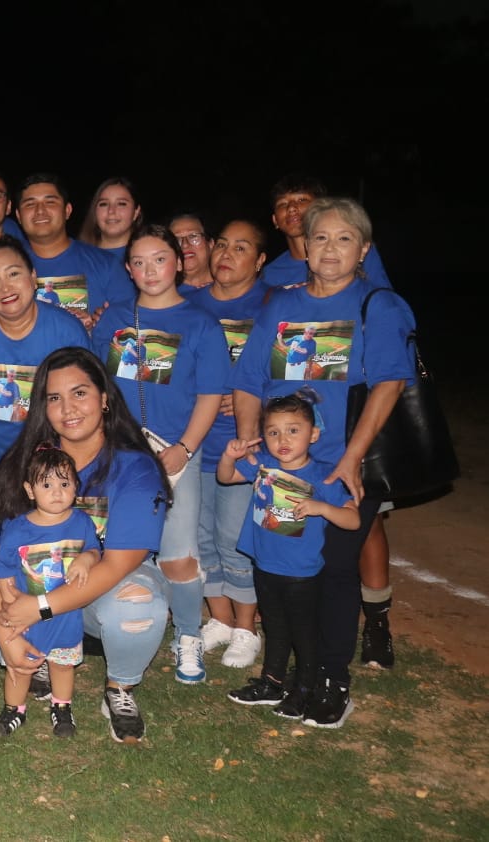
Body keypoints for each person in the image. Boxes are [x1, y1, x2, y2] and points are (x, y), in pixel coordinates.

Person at [231, 197, 415, 727]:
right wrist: (251, 445)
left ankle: (332, 678)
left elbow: (390, 382)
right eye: (320, 238)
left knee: (333, 572)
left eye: (343, 238)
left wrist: (353, 457)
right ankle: (286, 674)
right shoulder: (280, 305)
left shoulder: (377, 304)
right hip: (282, 464)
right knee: (282, 570)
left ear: (363, 249)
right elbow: (248, 380)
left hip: (340, 466)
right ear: (305, 249)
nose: (330, 248)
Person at [0, 347, 171, 744]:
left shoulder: (134, 466)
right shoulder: (26, 464)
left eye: (79, 393)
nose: (67, 408)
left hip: (103, 588)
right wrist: (10, 633)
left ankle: (119, 688)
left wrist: (38, 608)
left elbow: (119, 563)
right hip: (32, 586)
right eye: (54, 398)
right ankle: (40, 659)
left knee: (137, 605)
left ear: (104, 399)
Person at [91, 224, 229, 684]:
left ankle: (188, 634)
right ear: (128, 269)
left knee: (177, 555)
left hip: (174, 454)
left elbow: (210, 394)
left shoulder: (200, 323)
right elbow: (95, 385)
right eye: (139, 262)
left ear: (180, 262)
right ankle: (102, 625)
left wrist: (185, 448)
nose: (150, 270)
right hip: (119, 453)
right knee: (113, 546)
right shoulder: (113, 319)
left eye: (159, 259)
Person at [0, 238, 92, 602]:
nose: (5, 287)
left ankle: (54, 605)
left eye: (13, 274)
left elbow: (85, 398)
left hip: (51, 452)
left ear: (33, 277)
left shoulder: (66, 331)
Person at [220, 395, 359, 722]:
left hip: (301, 573)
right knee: (275, 625)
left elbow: (353, 520)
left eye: (293, 431)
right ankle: (272, 682)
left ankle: (305, 688)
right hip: (264, 565)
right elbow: (226, 477)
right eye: (273, 432)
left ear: (313, 434)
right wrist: (229, 457)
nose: (282, 440)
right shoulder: (262, 465)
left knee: (304, 632)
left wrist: (323, 508)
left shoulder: (324, 476)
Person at [186, 219, 271, 668]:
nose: (226, 253)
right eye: (221, 244)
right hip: (196, 443)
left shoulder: (272, 305)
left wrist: (241, 395)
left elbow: (282, 372)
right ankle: (219, 618)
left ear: (259, 261)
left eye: (241, 247)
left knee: (235, 537)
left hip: (245, 444)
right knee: (201, 538)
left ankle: (246, 627)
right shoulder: (189, 304)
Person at [0, 447, 102, 737]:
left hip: (64, 613)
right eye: (46, 484)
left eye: (65, 484)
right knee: (21, 666)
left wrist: (87, 558)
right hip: (27, 617)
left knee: (62, 666)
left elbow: (94, 550)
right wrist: (11, 609)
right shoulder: (17, 529)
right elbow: (1, 571)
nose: (57, 492)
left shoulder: (82, 522)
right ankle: (14, 709)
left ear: (76, 486)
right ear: (30, 490)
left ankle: (62, 707)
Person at [15, 173, 135, 330]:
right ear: (18, 215)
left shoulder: (106, 265)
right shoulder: (2, 266)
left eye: (50, 202)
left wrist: (101, 329)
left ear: (67, 210)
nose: (40, 210)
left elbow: (131, 330)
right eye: (30, 204)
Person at [261, 175, 392, 290]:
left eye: (302, 200)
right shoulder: (268, 276)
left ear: (321, 208)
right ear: (275, 220)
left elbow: (386, 305)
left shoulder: (356, 252)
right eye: (282, 204)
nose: (291, 208)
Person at [78, 177, 144, 257]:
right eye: (104, 204)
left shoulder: (150, 254)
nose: (111, 211)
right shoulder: (78, 255)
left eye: (121, 204)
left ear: (136, 212)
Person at [171, 211, 214, 290]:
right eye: (176, 240)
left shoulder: (233, 288)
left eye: (193, 236)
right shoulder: (161, 294)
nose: (185, 245)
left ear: (210, 244)